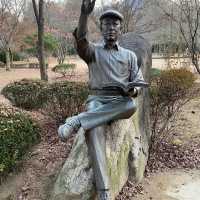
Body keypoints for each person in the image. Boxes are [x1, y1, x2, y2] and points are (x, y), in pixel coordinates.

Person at [58, 0, 146, 199]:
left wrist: (132, 90)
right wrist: (83, 15)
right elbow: (80, 39)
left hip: (121, 102)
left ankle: (78, 120)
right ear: (102, 28)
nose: (111, 28)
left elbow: (139, 83)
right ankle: (104, 192)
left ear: (120, 29)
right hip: (97, 101)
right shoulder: (93, 51)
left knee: (131, 104)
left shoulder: (130, 56)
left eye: (115, 24)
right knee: (94, 129)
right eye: (106, 24)